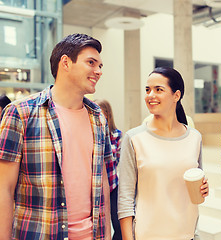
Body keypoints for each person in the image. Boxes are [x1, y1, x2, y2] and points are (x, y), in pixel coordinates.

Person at [0, 33, 112, 239]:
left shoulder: (98, 117)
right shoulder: (20, 113)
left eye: (100, 66)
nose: (98, 71)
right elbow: (3, 188)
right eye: (91, 63)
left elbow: (103, 182)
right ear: (66, 63)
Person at [118, 66, 209, 240]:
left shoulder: (194, 137)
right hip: (147, 235)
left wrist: (204, 188)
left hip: (186, 235)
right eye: (148, 90)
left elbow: (196, 186)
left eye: (158, 89)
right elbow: (125, 201)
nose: (150, 95)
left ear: (177, 95)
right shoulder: (134, 138)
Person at [95, 99, 123, 240]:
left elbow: (116, 159)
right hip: (96, 188)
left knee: (118, 226)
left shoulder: (117, 134)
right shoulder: (91, 133)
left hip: (112, 185)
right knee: (100, 226)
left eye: (101, 112)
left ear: (107, 114)